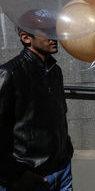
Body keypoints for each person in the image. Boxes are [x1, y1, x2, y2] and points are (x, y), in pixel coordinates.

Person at [0, 27, 74, 191]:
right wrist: (16, 175)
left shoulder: (55, 71)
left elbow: (60, 115)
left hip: (62, 168)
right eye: (46, 32)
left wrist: (66, 151)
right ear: (26, 38)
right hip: (30, 175)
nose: (53, 37)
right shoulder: (9, 74)